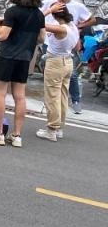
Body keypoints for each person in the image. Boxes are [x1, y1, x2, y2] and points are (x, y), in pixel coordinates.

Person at [0, 0, 45, 147]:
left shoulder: (13, 12)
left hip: (7, 55)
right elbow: (42, 38)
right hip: (25, 57)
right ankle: (17, 135)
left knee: (0, 93)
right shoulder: (39, 14)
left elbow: (2, 35)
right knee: (20, 96)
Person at [41, 0, 93, 115]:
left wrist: (78, 27)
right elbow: (37, 15)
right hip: (50, 42)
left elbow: (92, 19)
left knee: (72, 74)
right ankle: (52, 98)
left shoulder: (77, 6)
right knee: (48, 68)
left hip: (68, 43)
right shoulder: (49, 3)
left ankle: (75, 100)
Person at [38, 8, 79, 142]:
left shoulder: (61, 29)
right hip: (67, 61)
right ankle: (59, 128)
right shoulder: (72, 26)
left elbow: (37, 21)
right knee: (62, 96)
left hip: (56, 63)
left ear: (56, 16)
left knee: (52, 97)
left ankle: (51, 130)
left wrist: (49, 10)